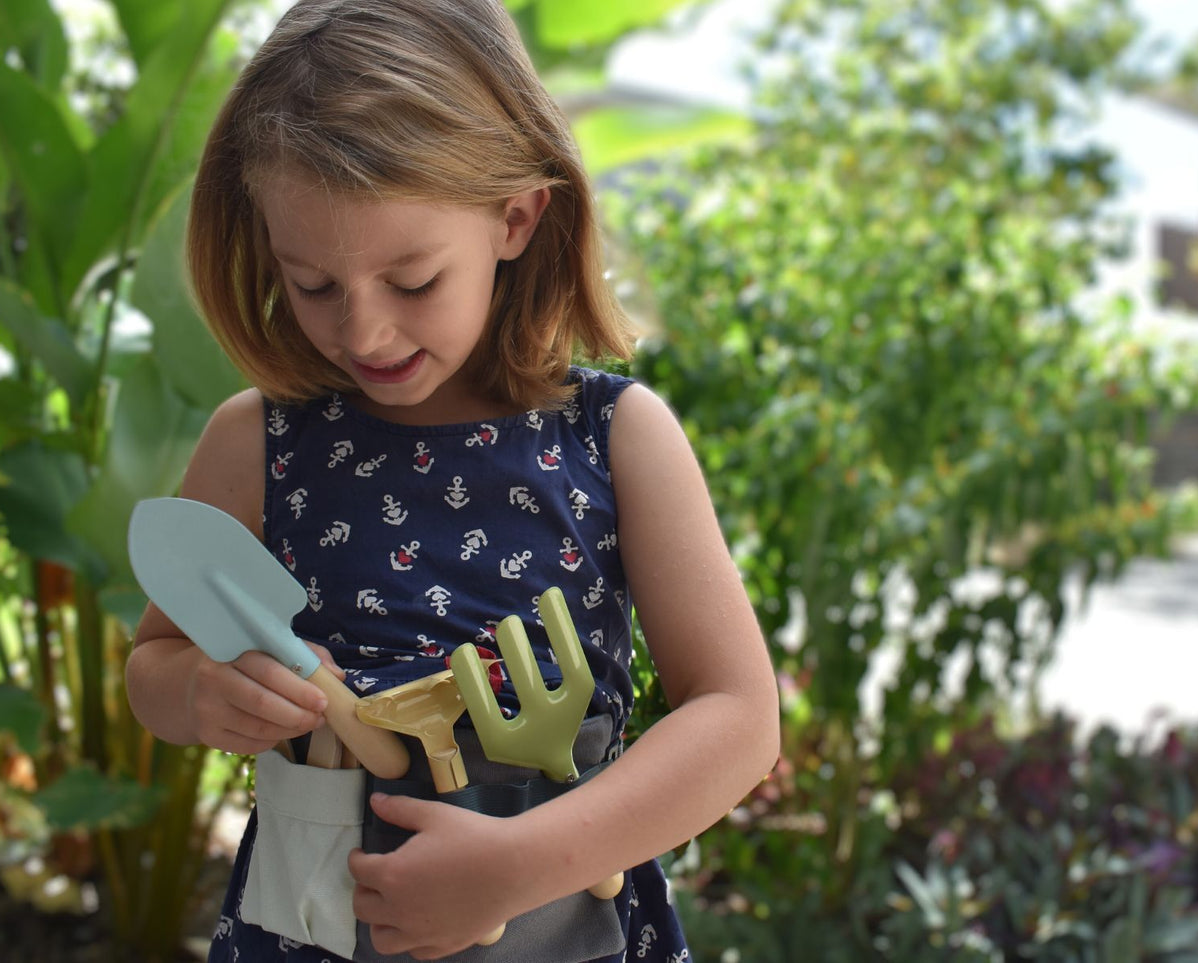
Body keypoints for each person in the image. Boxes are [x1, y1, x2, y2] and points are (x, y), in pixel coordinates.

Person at [124, 0, 779, 960]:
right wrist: (195, 695)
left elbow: (738, 716)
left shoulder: (615, 436)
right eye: (312, 285)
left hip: (568, 927)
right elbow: (156, 661)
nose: (364, 333)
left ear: (514, 218)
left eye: (414, 280)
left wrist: (520, 860)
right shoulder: (254, 442)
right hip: (311, 926)